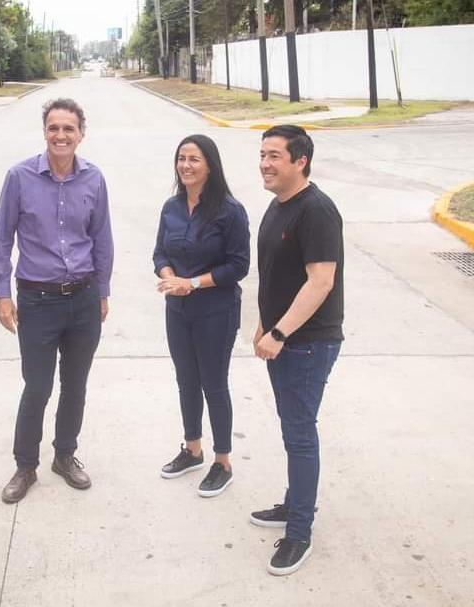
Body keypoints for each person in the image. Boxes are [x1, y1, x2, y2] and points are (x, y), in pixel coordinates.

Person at [0, 98, 114, 504]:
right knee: (38, 387)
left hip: (83, 298)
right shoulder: (19, 177)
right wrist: (2, 293)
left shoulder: (94, 179)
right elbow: (1, 239)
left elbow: (102, 239)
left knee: (75, 385)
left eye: (69, 129)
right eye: (54, 128)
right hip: (37, 301)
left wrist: (103, 289)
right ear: (45, 131)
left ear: (81, 134)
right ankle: (26, 466)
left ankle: (65, 455)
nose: (61, 135)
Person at [250, 125, 344, 575]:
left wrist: (281, 333)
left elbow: (321, 280)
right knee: (292, 430)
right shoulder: (278, 205)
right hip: (282, 338)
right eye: (263, 154)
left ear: (300, 161)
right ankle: (293, 504)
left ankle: (300, 532)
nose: (265, 163)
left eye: (275, 156)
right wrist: (263, 325)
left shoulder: (317, 211)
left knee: (301, 434)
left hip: (307, 343)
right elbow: (273, 276)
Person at [153, 134, 250, 498]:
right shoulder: (172, 207)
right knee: (185, 380)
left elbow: (238, 266)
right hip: (177, 309)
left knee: (214, 383)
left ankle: (222, 461)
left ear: (210, 164)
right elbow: (160, 253)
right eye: (181, 158)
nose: (186, 166)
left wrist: (191, 283)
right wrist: (169, 279)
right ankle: (192, 449)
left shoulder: (229, 210)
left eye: (194, 159)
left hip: (216, 311)